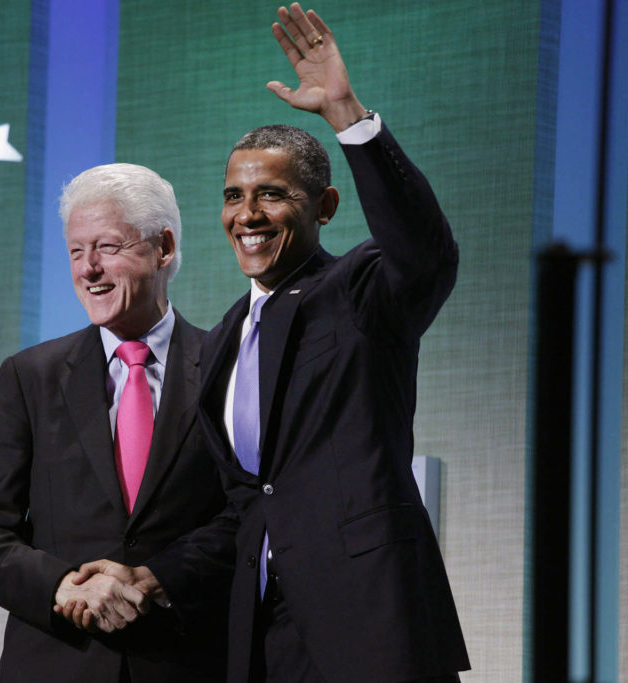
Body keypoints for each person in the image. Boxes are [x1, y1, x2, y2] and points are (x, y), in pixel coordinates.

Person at [75, 4, 470, 681]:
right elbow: (249, 505)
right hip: (265, 641)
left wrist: (348, 115)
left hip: (372, 628)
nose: (247, 215)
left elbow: (424, 251)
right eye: (233, 195)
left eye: (272, 194)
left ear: (324, 207)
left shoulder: (360, 291)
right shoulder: (227, 336)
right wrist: (151, 572)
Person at [0, 163, 231, 682]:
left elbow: (250, 513)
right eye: (76, 252)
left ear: (163, 248)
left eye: (107, 247)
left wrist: (159, 578)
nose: (88, 269)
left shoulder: (227, 364)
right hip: (60, 662)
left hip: (189, 662)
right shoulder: (29, 377)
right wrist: (64, 587)